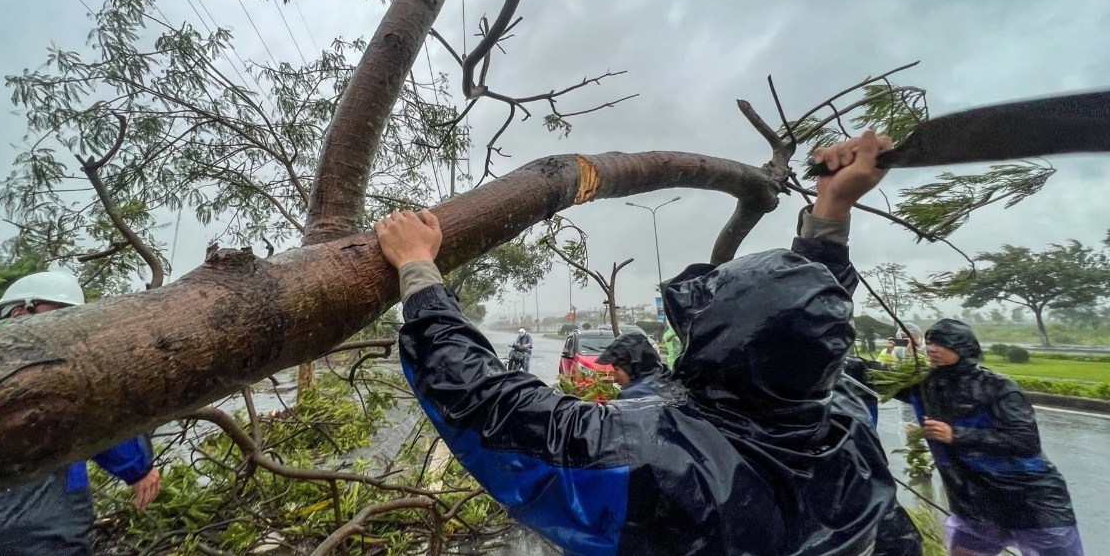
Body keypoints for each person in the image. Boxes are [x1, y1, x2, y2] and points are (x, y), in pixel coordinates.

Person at [375, 130, 921, 555]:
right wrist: (832, 206)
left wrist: (418, 268)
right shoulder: (846, 421)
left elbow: (485, 403)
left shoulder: (661, 464)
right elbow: (809, 322)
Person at [0, 272, 162, 556]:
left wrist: (137, 468)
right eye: (61, 316)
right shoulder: (56, 368)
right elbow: (104, 414)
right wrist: (139, 468)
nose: (72, 329)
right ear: (20, 313)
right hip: (41, 529)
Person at [897, 319, 1083, 556]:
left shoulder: (998, 388)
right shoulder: (926, 385)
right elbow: (870, 376)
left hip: (1031, 502)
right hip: (975, 506)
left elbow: (1025, 441)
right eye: (931, 342)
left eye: (942, 343)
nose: (932, 348)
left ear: (963, 348)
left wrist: (955, 434)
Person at [595, 333, 663, 400]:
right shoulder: (664, 378)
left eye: (616, 369)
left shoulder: (634, 395)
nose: (615, 378)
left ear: (631, 368)